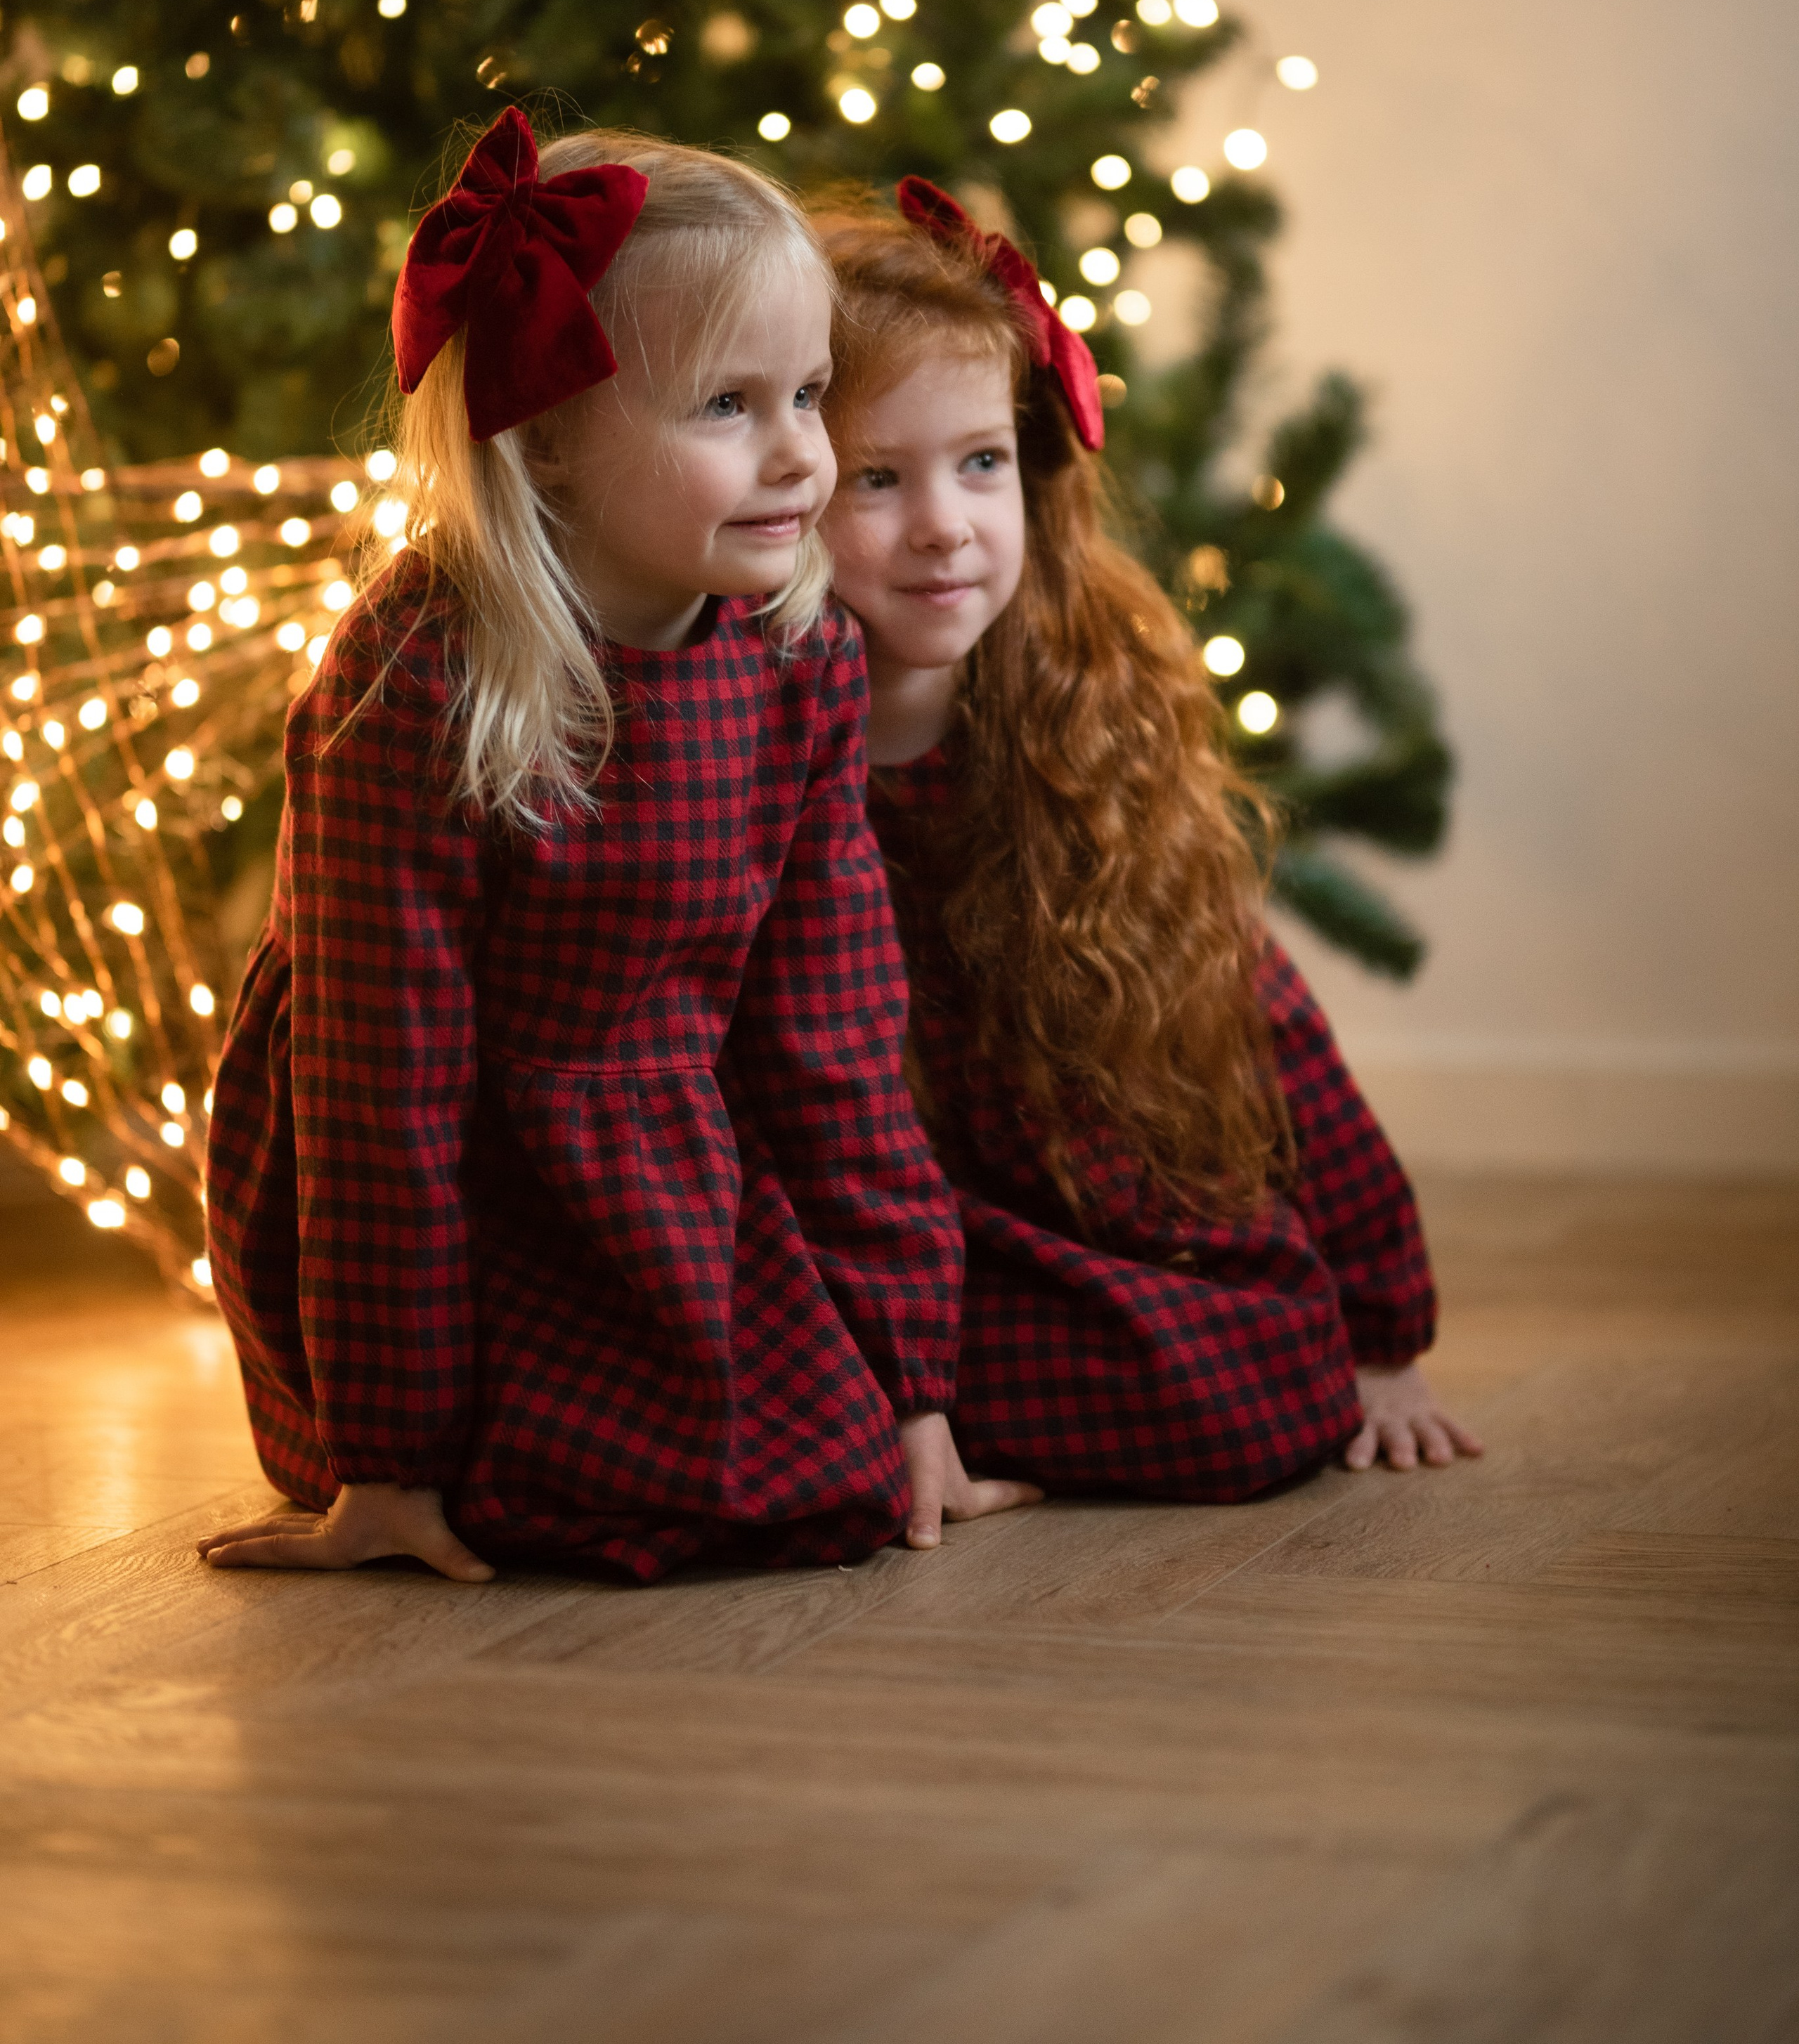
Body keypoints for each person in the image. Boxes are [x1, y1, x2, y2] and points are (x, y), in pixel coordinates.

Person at [198, 116, 1035, 1585]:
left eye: (810, 395)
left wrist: (911, 1383)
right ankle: (418, 1443)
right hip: (439, 1168)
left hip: (663, 1149)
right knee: (551, 1501)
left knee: (800, 1484)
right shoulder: (416, 677)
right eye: (726, 404)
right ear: (551, 436)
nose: (801, 456)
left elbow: (831, 1035)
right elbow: (376, 1080)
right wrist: (386, 1453)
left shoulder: (794, 661)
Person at [814, 178, 1483, 1501]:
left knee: (1236, 1381)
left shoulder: (1077, 724)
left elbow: (1266, 1027)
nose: (945, 524)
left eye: (983, 463)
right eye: (877, 480)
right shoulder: (739, 746)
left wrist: (1384, 1332)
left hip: (1050, 1218)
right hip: (844, 1230)